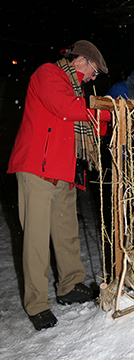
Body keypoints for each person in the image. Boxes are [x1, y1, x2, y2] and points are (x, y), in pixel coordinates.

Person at [7, 40, 111, 330]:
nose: (93, 78)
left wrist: (114, 117)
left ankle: (70, 285)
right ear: (80, 61)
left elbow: (93, 124)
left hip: (66, 169)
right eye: (93, 71)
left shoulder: (78, 91)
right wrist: (108, 110)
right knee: (36, 241)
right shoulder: (48, 74)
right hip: (37, 167)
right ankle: (37, 304)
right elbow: (67, 109)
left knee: (67, 234)